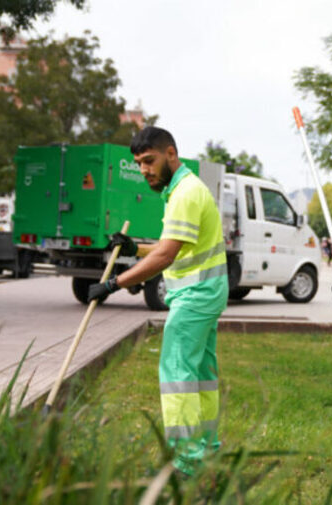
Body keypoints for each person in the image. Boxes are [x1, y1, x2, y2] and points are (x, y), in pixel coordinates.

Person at [87, 126, 228, 477]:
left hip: (196, 295)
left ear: (171, 154)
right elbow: (173, 246)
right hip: (203, 293)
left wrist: (113, 284)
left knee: (177, 373)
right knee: (200, 375)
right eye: (138, 164)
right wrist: (135, 248)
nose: (144, 170)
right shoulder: (183, 190)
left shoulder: (185, 193)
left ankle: (186, 462)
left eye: (149, 161)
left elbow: (165, 256)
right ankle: (206, 447)